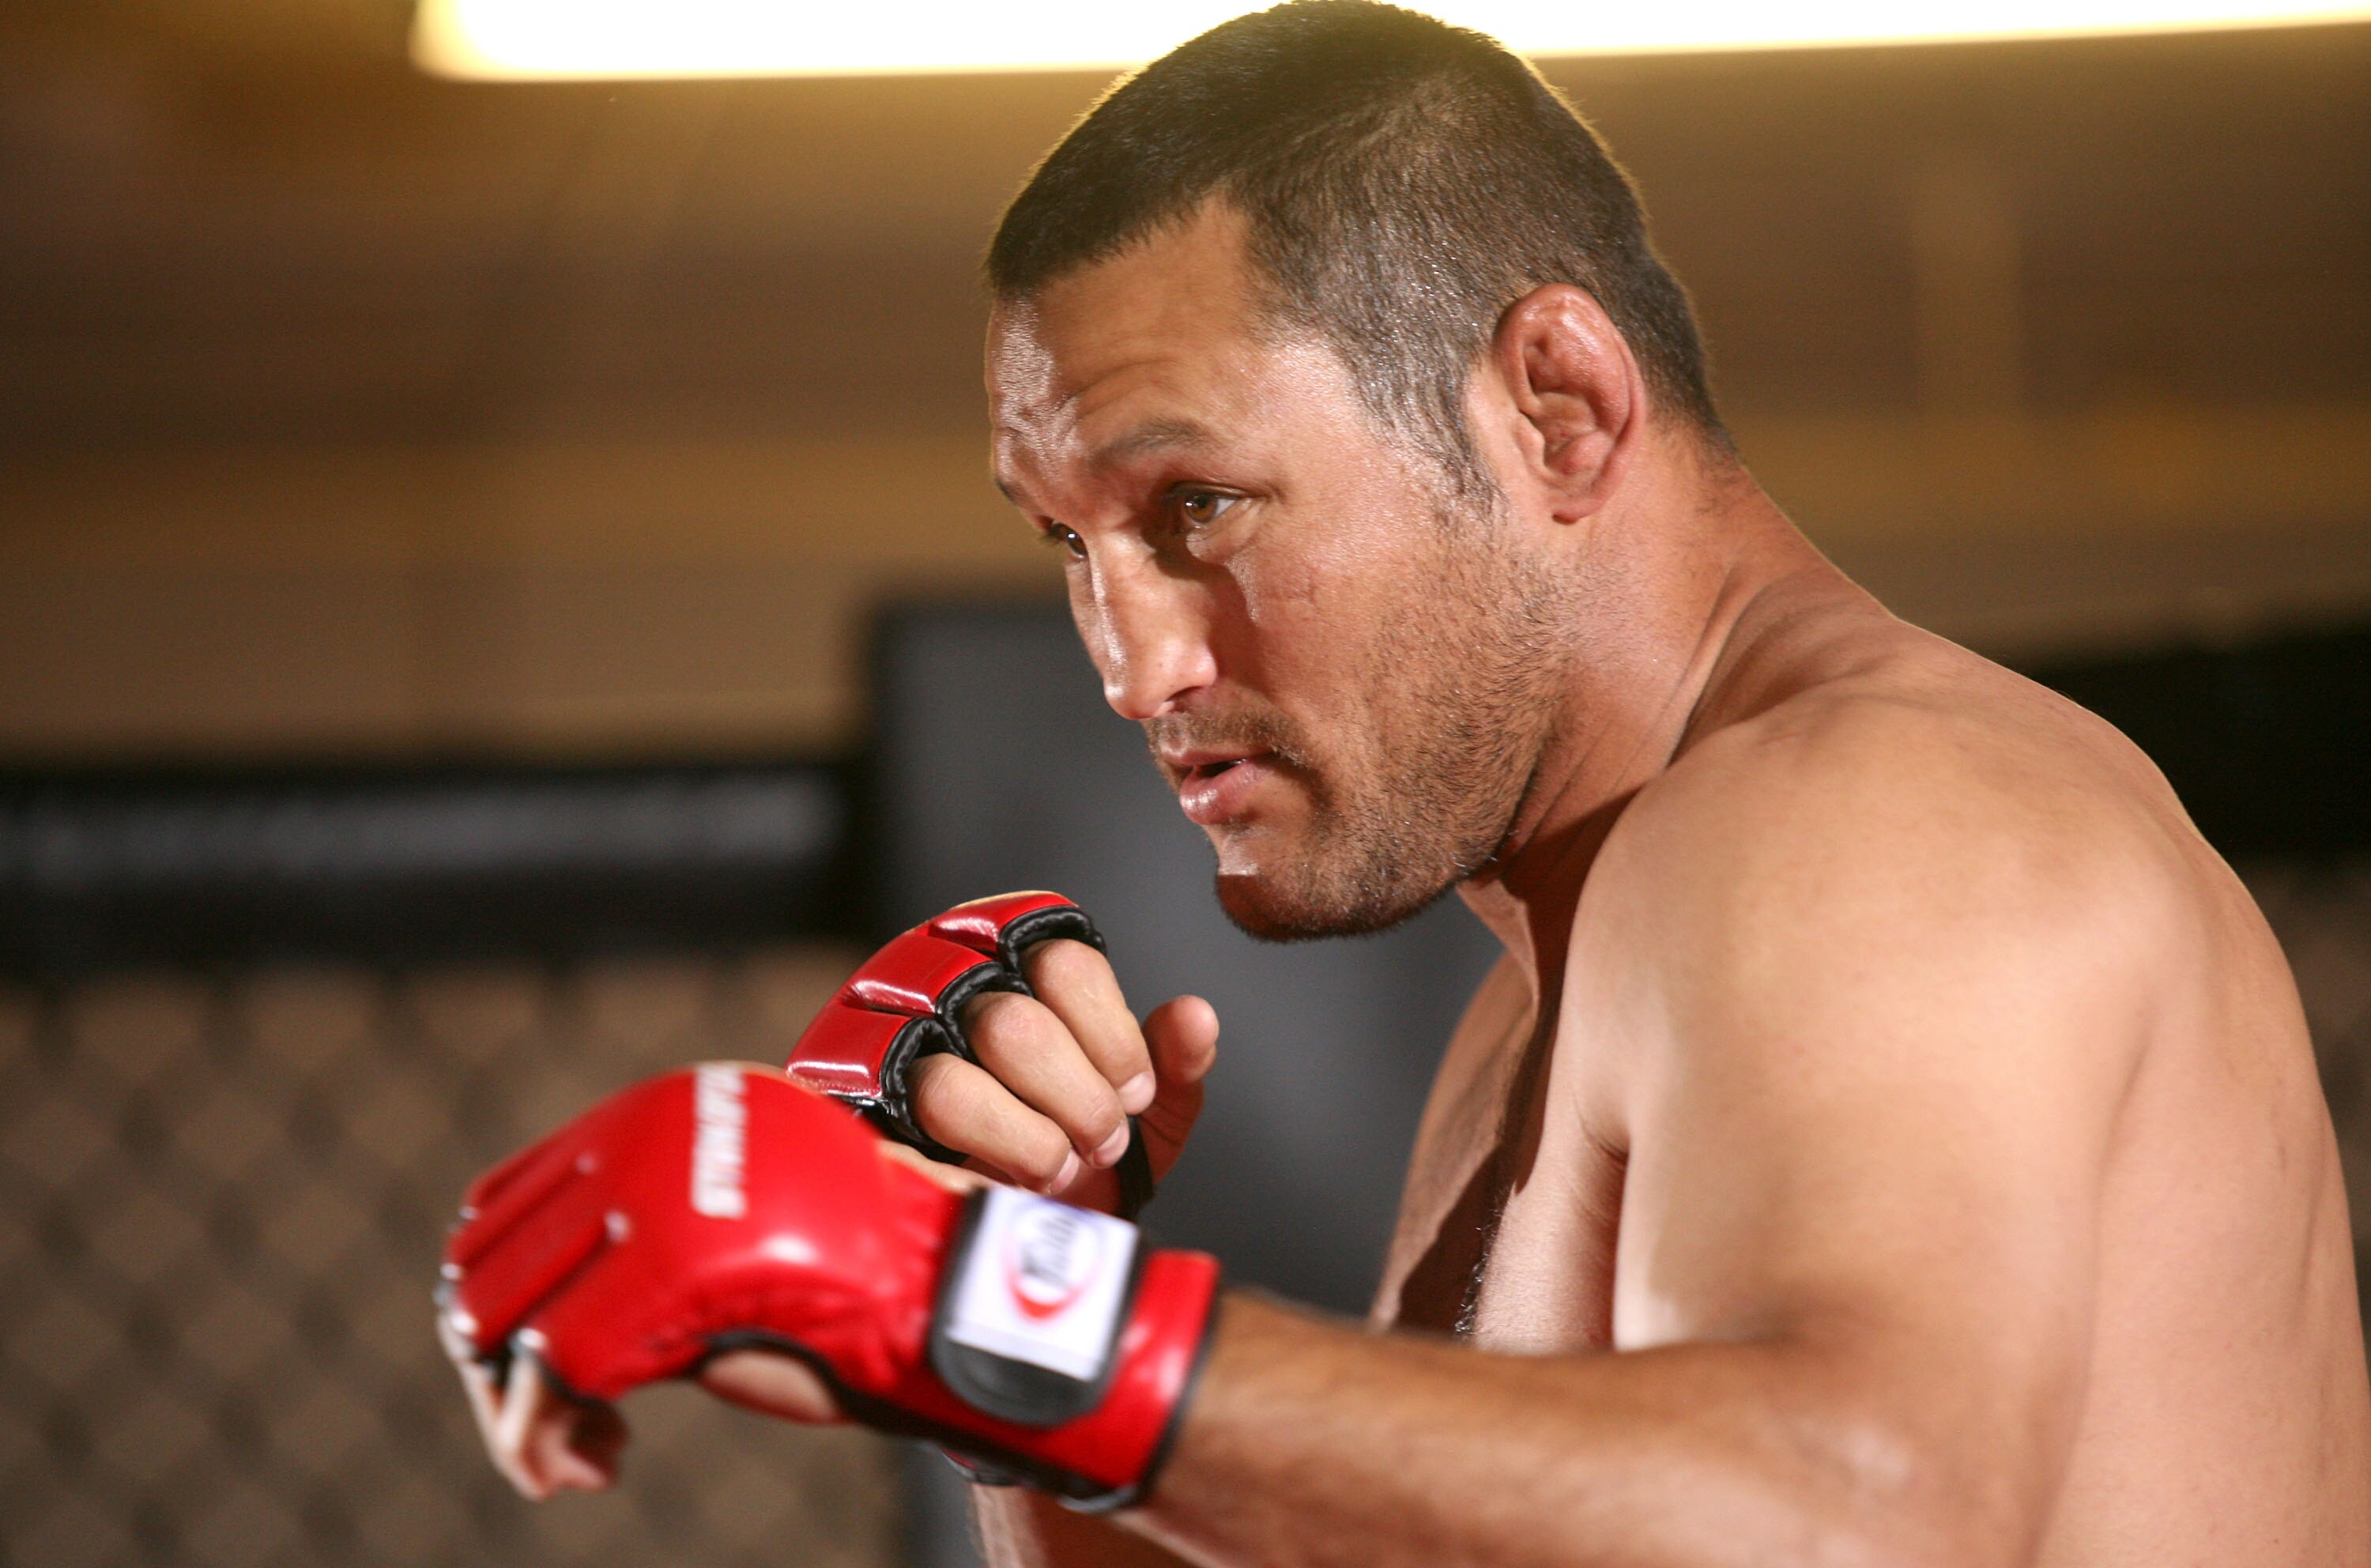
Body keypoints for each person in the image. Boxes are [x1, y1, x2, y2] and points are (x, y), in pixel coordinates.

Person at [444, 3, 2371, 1562]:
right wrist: (1019, 1336)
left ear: (1557, 406)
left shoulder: (1874, 813)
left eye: (1197, 505)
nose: (1134, 665)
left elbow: (1866, 1517)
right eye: (1072, 547)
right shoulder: (1542, 1008)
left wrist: (993, 1312)